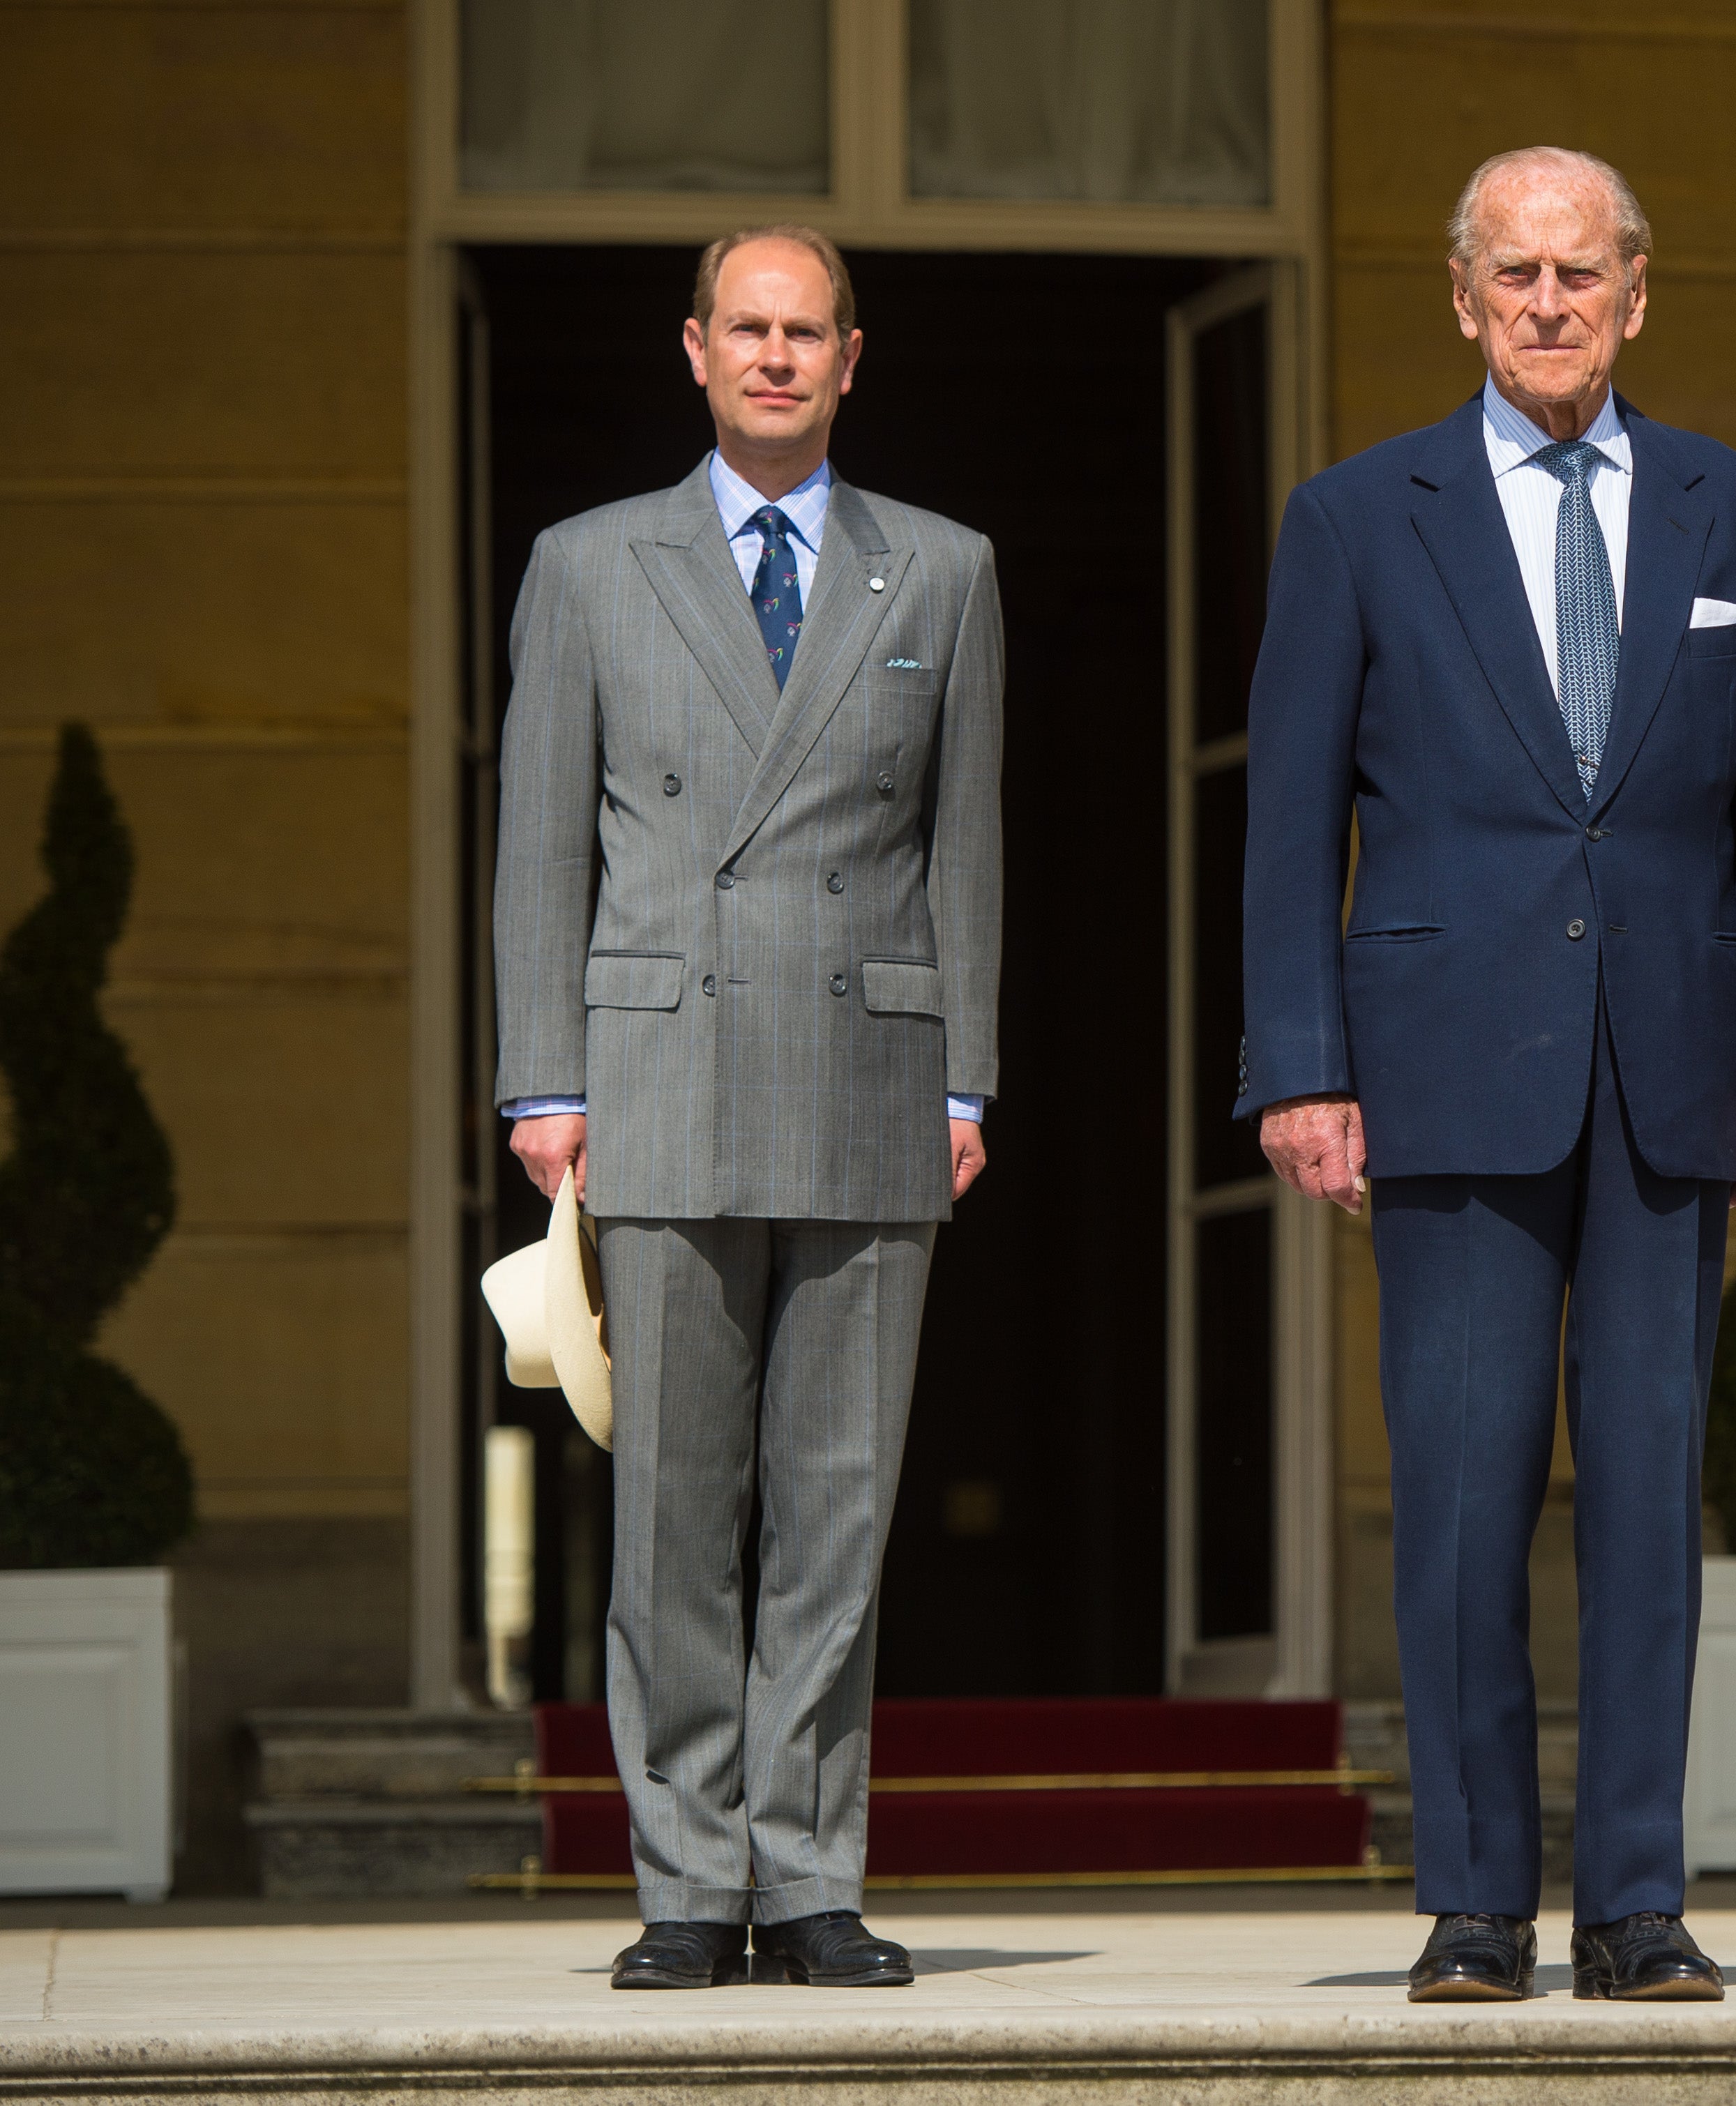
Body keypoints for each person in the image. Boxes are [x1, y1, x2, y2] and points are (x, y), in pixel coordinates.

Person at [1238, 146, 1736, 2004]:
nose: (1551, 304)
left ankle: (1637, 1901)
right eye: (1518, 275)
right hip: (1440, 1068)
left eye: (1582, 274)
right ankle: (1478, 1899)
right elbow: (1281, 825)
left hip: (1673, 1075)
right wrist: (1299, 1067)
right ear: (1462, 293)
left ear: (1638, 293)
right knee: (1468, 1494)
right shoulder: (1355, 518)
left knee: (1648, 1503)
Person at [492, 225, 1002, 1992]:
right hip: (661, 1068)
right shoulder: (586, 565)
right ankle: (689, 1886)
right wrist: (544, 1076)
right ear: (693, 348)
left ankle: (810, 1878)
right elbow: (540, 838)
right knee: (676, 1516)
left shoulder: (940, 570)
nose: (777, 357)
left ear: (852, 359)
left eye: (809, 332)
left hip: (872, 1068)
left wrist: (965, 1070)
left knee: (838, 1513)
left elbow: (968, 844)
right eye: (749, 329)